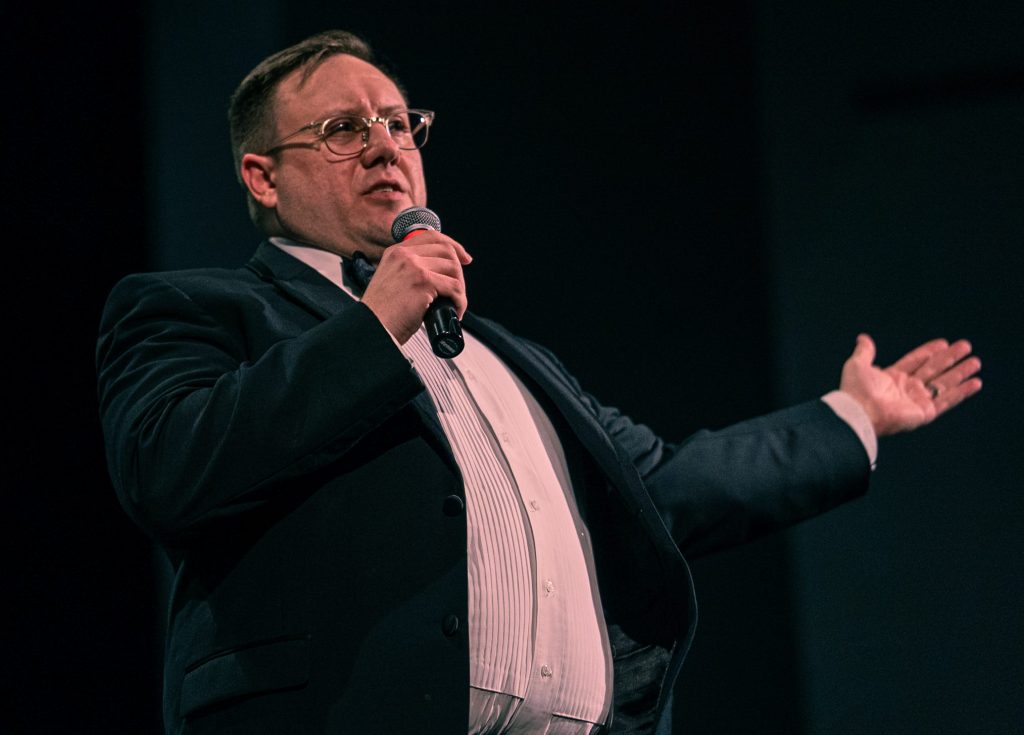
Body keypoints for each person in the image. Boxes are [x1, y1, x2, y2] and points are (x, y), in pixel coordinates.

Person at [95, 30, 982, 735]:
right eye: (343, 130)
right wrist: (373, 328)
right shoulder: (193, 306)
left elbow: (662, 485)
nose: (384, 148)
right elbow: (168, 466)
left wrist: (852, 417)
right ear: (263, 176)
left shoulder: (503, 353)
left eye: (399, 123)